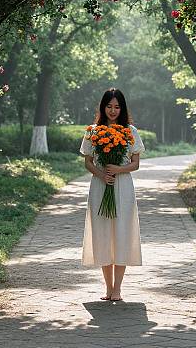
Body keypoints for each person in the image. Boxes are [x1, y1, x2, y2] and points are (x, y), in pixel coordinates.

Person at [79, 88, 145, 302]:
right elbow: (88, 161)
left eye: (117, 107)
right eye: (109, 106)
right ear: (103, 107)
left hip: (123, 187)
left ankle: (118, 288)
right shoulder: (93, 131)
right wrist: (102, 174)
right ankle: (108, 288)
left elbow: (135, 164)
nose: (113, 111)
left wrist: (117, 169)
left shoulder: (130, 131)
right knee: (103, 234)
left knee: (122, 233)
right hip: (100, 186)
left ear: (122, 108)